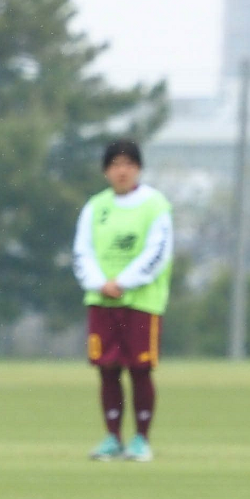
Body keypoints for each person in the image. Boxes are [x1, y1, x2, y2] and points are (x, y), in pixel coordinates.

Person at [72, 138, 174, 462]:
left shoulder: (155, 205)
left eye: (129, 163)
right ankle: (112, 437)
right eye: (115, 164)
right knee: (107, 370)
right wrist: (100, 283)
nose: (122, 170)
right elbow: (82, 251)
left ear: (139, 168)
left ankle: (141, 439)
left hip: (141, 302)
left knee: (140, 369)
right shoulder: (96, 207)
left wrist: (124, 282)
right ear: (106, 171)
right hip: (102, 301)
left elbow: (158, 252)